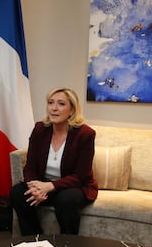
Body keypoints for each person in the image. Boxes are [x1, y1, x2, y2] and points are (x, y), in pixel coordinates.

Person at [10, 87, 98, 235]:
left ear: (72, 110)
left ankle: (68, 245)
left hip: (73, 186)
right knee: (18, 193)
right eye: (51, 103)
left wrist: (50, 186)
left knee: (66, 200)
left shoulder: (85, 134)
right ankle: (33, 240)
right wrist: (35, 187)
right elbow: (30, 167)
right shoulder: (40, 129)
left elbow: (80, 176)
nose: (54, 108)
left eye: (61, 104)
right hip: (44, 183)